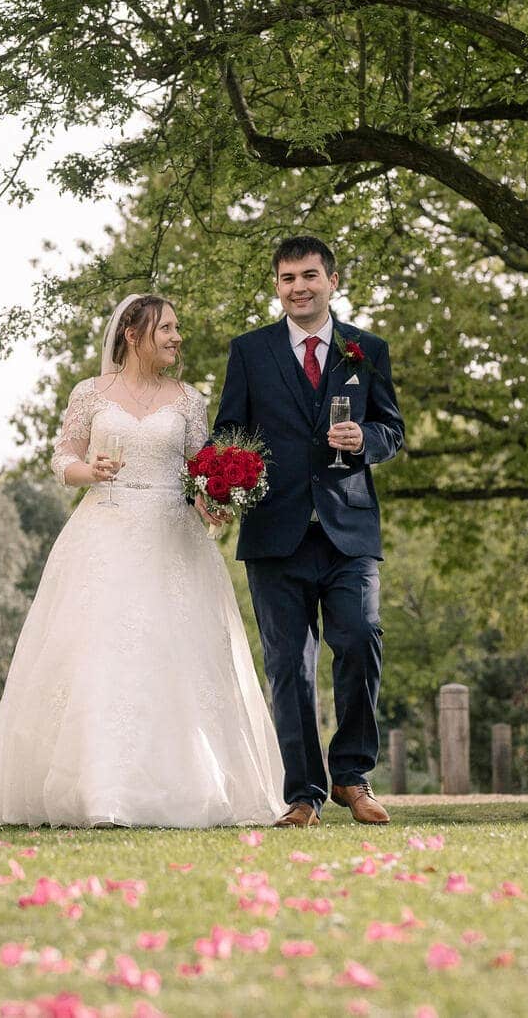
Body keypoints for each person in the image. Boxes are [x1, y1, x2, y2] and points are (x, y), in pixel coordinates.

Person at [0, 295, 286, 828]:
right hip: (103, 533)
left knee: (176, 657)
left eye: (177, 328)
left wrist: (214, 496)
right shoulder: (90, 394)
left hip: (174, 541)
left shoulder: (190, 401)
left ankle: (189, 786)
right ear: (132, 333)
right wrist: (90, 469)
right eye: (167, 328)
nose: (177, 337)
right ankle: (102, 792)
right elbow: (63, 457)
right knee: (100, 657)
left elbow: (199, 469)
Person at [211, 236, 406, 827]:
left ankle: (352, 776)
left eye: (310, 275)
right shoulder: (249, 352)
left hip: (350, 529)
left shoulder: (365, 350)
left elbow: (392, 430)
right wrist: (223, 483)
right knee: (288, 666)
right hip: (275, 532)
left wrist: (366, 440)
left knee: (360, 638)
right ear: (277, 286)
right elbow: (229, 434)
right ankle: (303, 795)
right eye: (288, 277)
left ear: (332, 280)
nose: (299, 286)